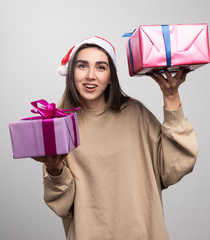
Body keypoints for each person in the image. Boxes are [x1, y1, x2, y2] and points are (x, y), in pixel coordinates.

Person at [32, 36, 198, 240]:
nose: (91, 75)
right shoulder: (58, 125)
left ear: (111, 76)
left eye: (101, 67)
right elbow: (62, 206)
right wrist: (55, 170)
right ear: (71, 73)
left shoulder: (134, 113)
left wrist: (171, 98)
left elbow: (174, 166)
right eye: (82, 66)